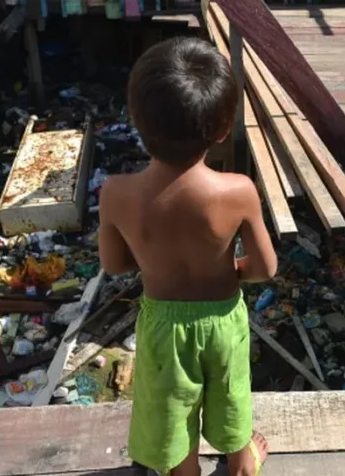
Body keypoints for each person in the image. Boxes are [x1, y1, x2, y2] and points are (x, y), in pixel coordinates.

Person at [98, 37, 277, 476]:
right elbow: (265, 268)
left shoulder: (117, 194)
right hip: (222, 321)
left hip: (162, 326)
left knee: (169, 407)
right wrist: (231, 268)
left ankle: (186, 470)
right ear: (221, 130)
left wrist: (155, 258)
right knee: (231, 392)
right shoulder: (237, 191)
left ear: (137, 121)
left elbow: (115, 265)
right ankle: (240, 461)